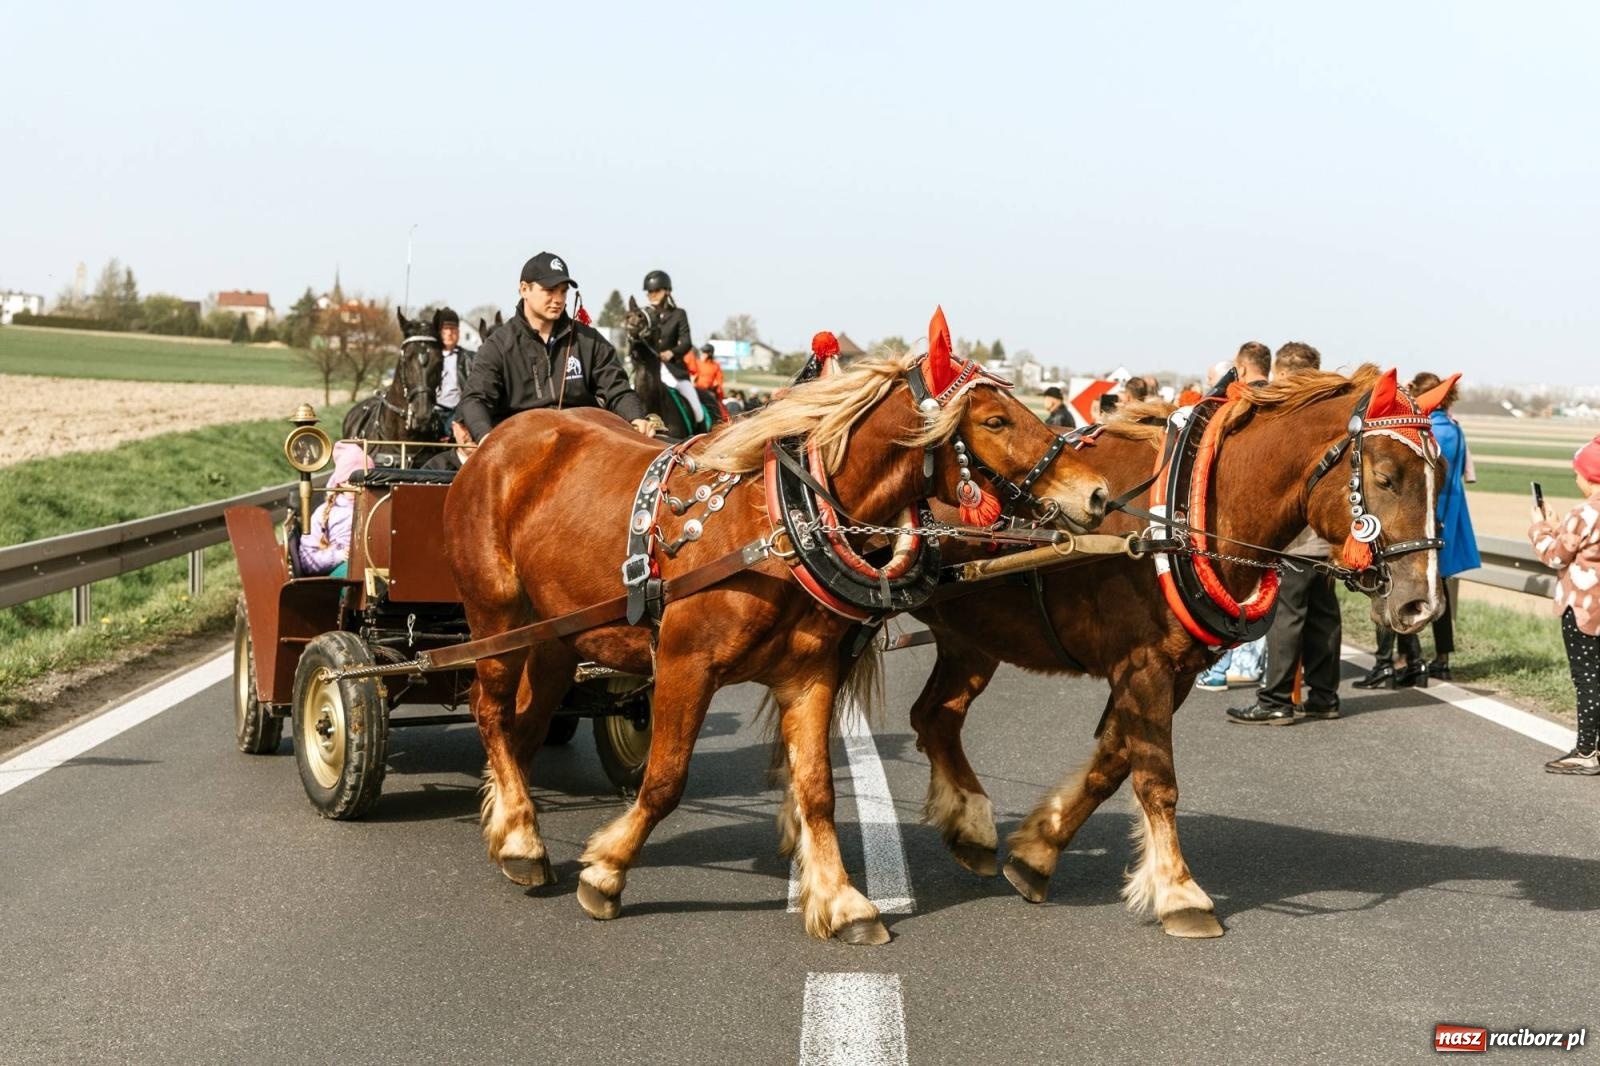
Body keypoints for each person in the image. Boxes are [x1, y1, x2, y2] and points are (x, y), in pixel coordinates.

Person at [1228, 342, 1342, 724]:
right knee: (1324, 617)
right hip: (1327, 536)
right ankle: (1325, 697)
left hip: (1295, 537)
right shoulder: (1331, 415)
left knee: (1287, 617)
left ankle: (1276, 699)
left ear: (1282, 373)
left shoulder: (1290, 416)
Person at [457, 253, 653, 443]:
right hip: (519, 449)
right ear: (524, 289)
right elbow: (475, 400)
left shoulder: (590, 341)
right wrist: (486, 439)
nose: (558, 299)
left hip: (583, 447)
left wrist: (635, 417)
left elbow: (618, 390)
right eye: (549, 290)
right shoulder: (498, 346)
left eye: (563, 291)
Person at [1529, 433, 1600, 773]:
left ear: (1590, 477)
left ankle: (1586, 753)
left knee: (1587, 677)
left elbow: (1555, 556)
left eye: (1578, 473)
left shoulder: (1584, 512)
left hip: (1584, 609)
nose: (1576, 478)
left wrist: (1541, 527)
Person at [1414, 370, 1478, 680]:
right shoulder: (1455, 428)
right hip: (1453, 510)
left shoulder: (1430, 430)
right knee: (1441, 586)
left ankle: (1408, 658)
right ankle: (1442, 658)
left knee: (1416, 586)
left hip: (1430, 512)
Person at [641, 269, 708, 428]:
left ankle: (699, 436)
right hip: (650, 371)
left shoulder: (678, 314)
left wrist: (671, 353)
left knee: (697, 410)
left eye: (657, 291)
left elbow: (686, 342)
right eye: (649, 292)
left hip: (673, 369)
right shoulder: (646, 316)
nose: (653, 295)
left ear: (667, 291)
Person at [297, 441, 372, 578]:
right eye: (355, 481)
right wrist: (338, 555)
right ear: (342, 481)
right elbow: (307, 561)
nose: (361, 487)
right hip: (343, 572)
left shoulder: (379, 506)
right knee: (356, 573)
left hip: (377, 565)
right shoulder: (326, 512)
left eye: (366, 481)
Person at [432, 307, 472, 437]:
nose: (449, 333)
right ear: (439, 332)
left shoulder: (469, 358)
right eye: (445, 330)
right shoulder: (431, 356)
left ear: (459, 333)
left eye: (453, 329)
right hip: (433, 411)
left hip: (457, 412)